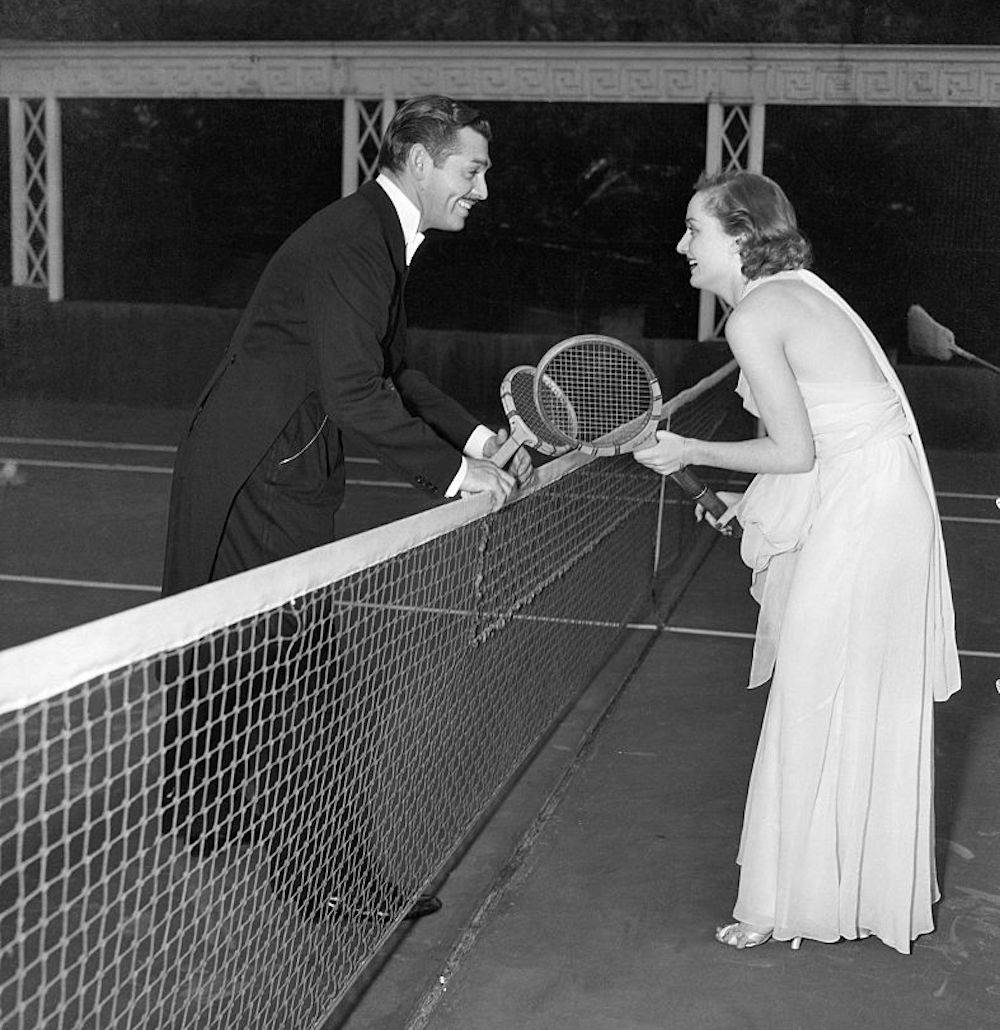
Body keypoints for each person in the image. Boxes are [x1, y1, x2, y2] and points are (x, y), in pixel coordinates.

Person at [159, 95, 532, 923]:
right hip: (261, 472)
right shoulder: (356, 240)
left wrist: (475, 442)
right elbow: (354, 389)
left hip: (274, 464)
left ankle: (254, 829)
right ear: (421, 161)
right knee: (308, 685)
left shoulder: (377, 236)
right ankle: (324, 873)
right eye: (472, 171)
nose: (481, 190)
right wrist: (453, 479)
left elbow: (392, 370)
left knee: (268, 666)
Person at [634, 170, 960, 954]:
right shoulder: (798, 292)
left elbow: (794, 448)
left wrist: (688, 449)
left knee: (817, 688)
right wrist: (745, 503)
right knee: (839, 691)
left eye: (694, 229)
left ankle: (792, 903)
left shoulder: (760, 312)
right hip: (875, 501)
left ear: (741, 235)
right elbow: (823, 445)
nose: (681, 244)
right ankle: (828, 895)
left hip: (871, 512)